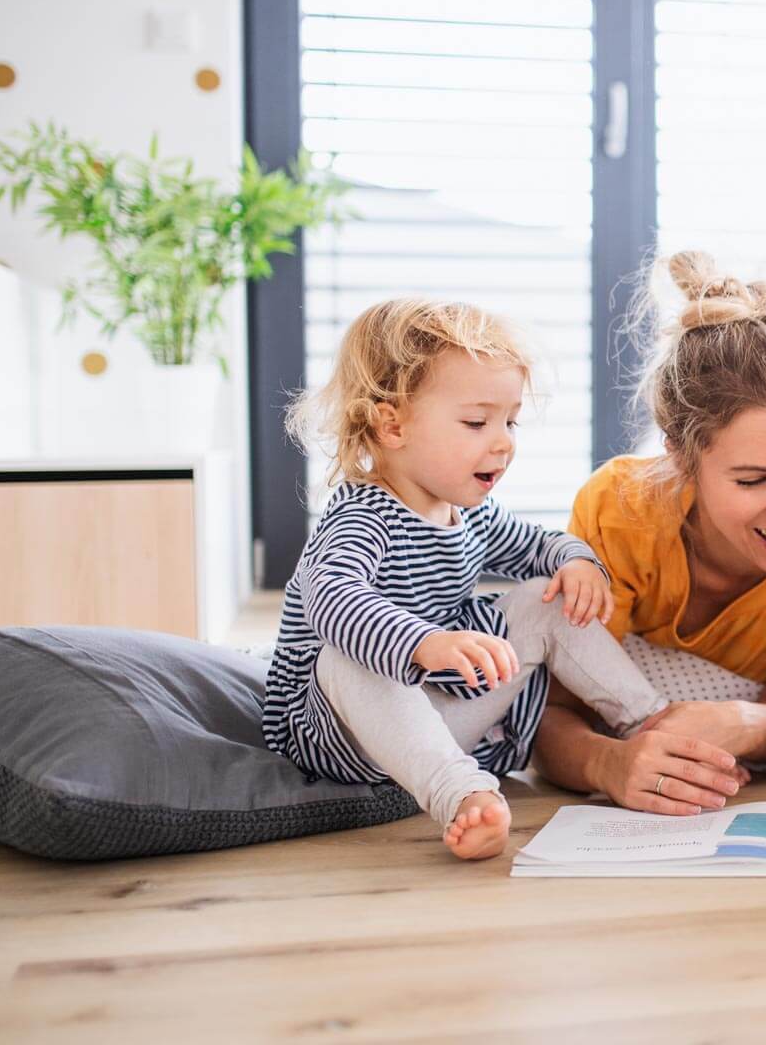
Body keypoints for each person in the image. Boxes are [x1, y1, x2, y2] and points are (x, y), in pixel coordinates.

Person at [262, 298, 667, 860]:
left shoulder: (469, 513)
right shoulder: (361, 517)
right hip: (343, 734)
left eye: (510, 421)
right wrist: (423, 643)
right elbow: (330, 600)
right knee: (342, 654)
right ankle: (463, 793)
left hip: (438, 716)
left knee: (541, 597)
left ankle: (650, 721)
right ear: (392, 424)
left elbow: (540, 545)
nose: (503, 442)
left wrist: (578, 562)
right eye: (477, 422)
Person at [532, 251, 766, 814]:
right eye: (752, 479)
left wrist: (744, 721)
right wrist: (605, 763)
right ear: (683, 461)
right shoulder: (619, 510)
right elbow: (551, 711)